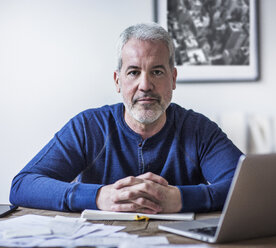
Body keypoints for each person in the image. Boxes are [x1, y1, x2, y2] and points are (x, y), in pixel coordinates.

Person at [9, 23, 242, 213]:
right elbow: (23, 185)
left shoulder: (200, 129)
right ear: (117, 80)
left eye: (157, 72)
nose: (145, 85)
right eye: (133, 72)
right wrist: (99, 196)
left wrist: (181, 198)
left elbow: (247, 188)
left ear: (173, 78)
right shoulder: (88, 127)